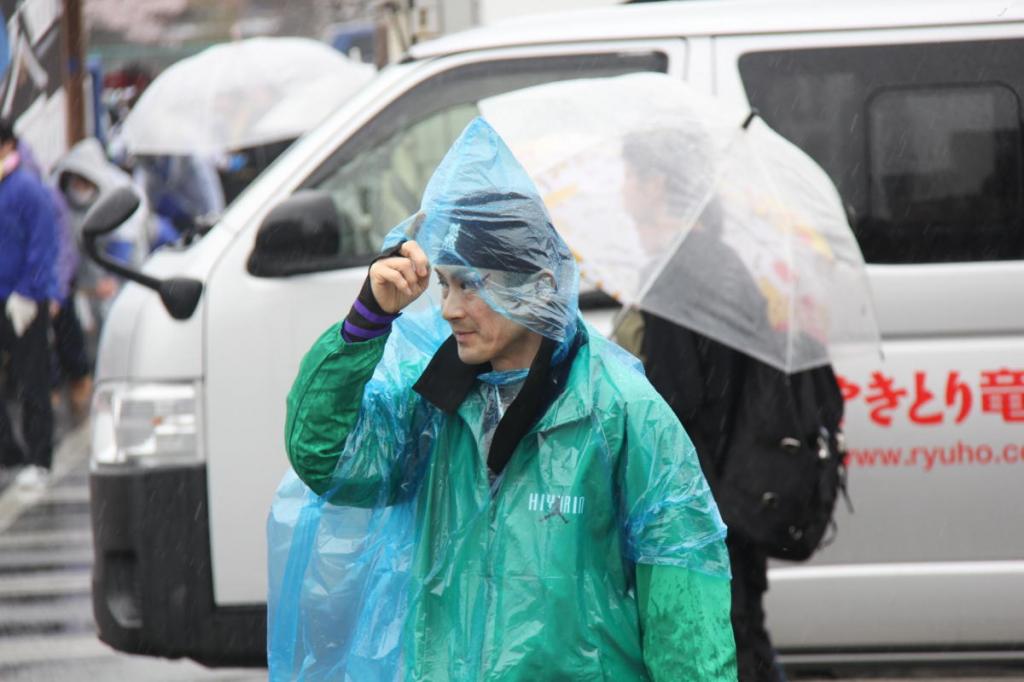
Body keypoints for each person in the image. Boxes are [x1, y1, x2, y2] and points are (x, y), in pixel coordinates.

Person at [267, 118, 738, 680]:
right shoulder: (432, 405)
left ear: (536, 286)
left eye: (470, 285)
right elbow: (327, 458)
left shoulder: (619, 410)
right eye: (444, 284)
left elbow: (683, 597)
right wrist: (367, 320)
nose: (448, 308)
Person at [613, 132, 843, 682]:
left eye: (629, 177)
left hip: (703, 503)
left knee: (725, 645)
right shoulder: (719, 262)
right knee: (743, 635)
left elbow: (676, 403)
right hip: (737, 491)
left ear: (656, 184)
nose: (621, 191)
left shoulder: (678, 274)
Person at [0, 117, 59, 493]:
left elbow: (43, 244)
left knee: (32, 380)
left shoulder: (27, 188)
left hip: (22, 300)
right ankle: (9, 453)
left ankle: (39, 458)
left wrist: (30, 291)